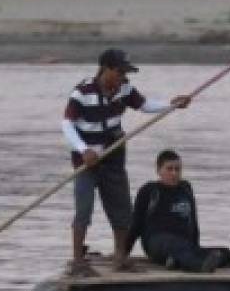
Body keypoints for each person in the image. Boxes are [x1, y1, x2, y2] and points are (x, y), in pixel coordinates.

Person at [62, 48, 190, 275]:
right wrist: (84, 150)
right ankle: (78, 262)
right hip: (87, 161)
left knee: (121, 209)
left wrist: (171, 105)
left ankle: (120, 257)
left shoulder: (124, 89)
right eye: (120, 71)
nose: (123, 76)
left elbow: (143, 105)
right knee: (84, 209)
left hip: (113, 156)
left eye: (125, 72)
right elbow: (67, 124)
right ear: (106, 69)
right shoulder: (82, 92)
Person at [126, 150, 230, 273]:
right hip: (157, 242)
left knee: (226, 253)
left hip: (184, 243)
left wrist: (196, 246)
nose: (174, 173)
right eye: (169, 169)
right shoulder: (149, 190)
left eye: (177, 169)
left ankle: (176, 262)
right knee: (177, 246)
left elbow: (193, 222)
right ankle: (199, 266)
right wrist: (123, 252)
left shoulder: (185, 188)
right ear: (159, 170)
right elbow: (136, 224)